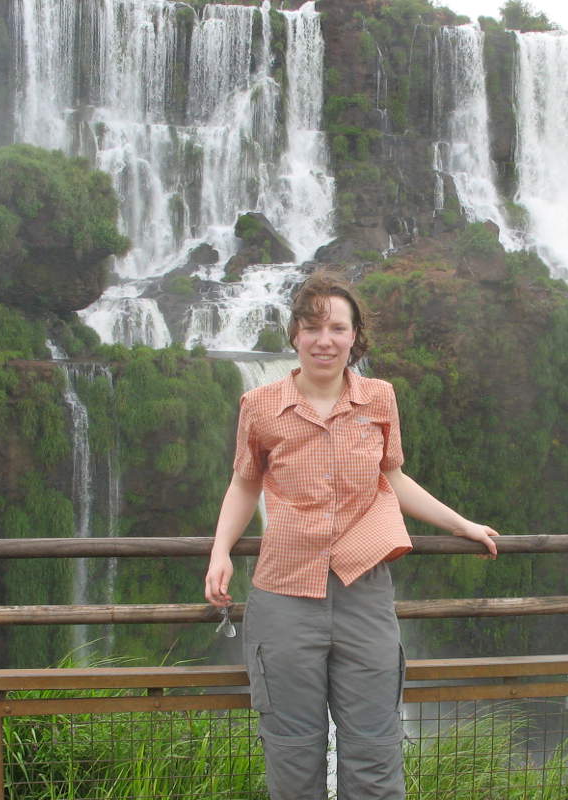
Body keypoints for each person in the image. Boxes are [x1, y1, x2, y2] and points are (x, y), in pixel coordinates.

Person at [204, 270, 499, 800]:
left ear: (354, 337)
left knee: (374, 746)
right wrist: (220, 551)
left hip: (364, 589)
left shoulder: (379, 399)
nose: (325, 340)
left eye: (338, 328)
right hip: (284, 592)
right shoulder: (261, 405)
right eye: (313, 327)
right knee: (292, 750)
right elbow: (245, 482)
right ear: (294, 333)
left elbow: (393, 477)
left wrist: (461, 525)